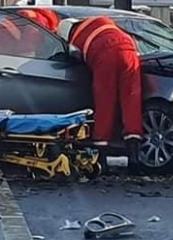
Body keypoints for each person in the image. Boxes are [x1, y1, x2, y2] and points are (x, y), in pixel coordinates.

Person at [57, 16, 143, 173]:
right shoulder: (99, 21)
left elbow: (74, 59)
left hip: (105, 53)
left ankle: (101, 156)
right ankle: (134, 155)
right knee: (132, 98)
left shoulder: (75, 40)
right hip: (129, 47)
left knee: (105, 101)